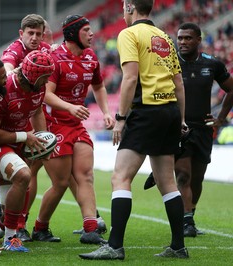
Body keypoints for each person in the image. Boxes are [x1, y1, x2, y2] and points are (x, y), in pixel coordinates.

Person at [79, 0, 188, 260]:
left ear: (129, 7)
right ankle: (178, 246)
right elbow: (179, 82)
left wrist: (120, 118)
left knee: (121, 177)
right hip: (170, 110)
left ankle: (115, 246)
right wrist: (181, 120)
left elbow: (130, 78)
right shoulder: (164, 37)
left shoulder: (129, 34)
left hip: (146, 111)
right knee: (167, 181)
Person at [32, 15, 114, 245]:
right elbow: (45, 94)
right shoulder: (55, 59)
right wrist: (70, 107)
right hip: (52, 125)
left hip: (76, 126)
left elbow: (98, 86)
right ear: (73, 33)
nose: (91, 34)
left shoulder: (91, 58)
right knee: (59, 183)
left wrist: (106, 112)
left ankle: (90, 228)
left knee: (86, 176)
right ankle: (40, 227)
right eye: (86, 30)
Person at [153, 22, 233, 237]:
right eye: (180, 38)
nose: (183, 42)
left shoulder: (212, 64)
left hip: (203, 129)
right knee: (183, 175)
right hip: (177, 128)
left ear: (199, 40)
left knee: (197, 178)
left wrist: (221, 117)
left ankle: (190, 216)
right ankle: (186, 221)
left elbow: (231, 88)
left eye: (188, 38)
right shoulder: (168, 62)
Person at [0, 50, 55, 252]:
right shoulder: (4, 90)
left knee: (12, 188)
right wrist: (25, 136)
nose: (48, 80)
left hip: (15, 141)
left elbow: (37, 111)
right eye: (45, 76)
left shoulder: (39, 87)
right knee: (23, 176)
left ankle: (1, 229)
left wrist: (43, 139)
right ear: (32, 76)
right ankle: (11, 239)